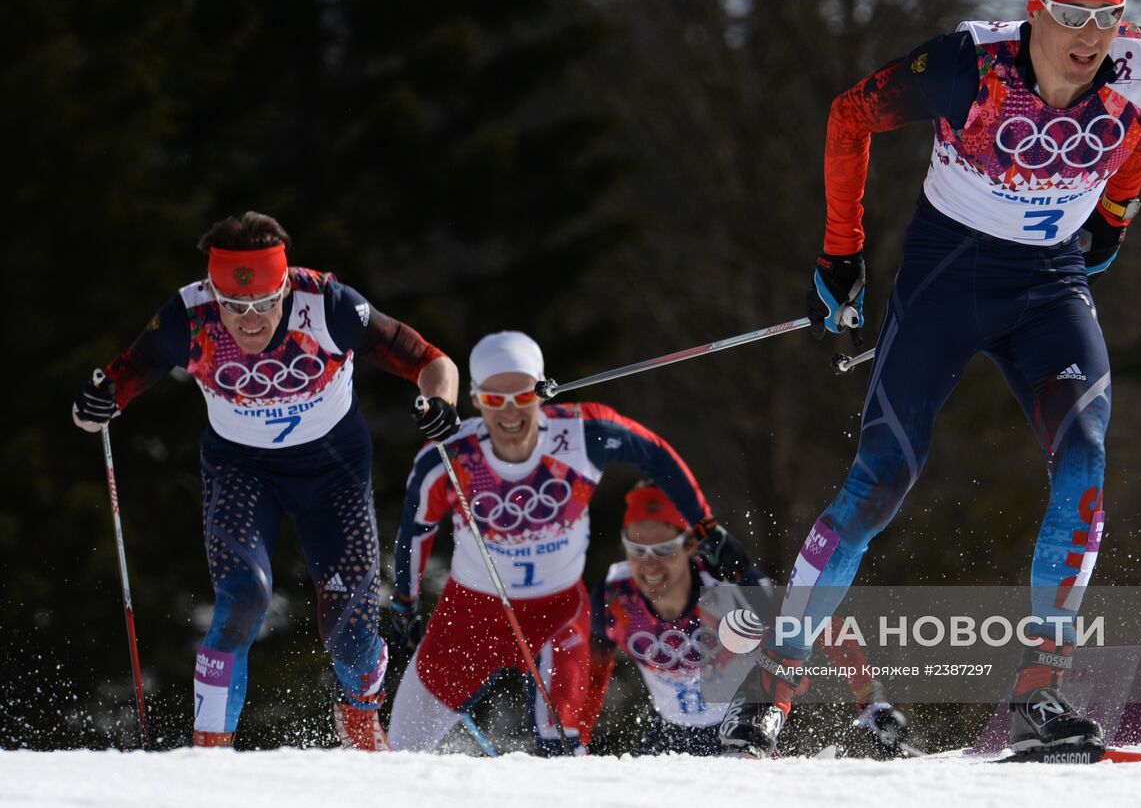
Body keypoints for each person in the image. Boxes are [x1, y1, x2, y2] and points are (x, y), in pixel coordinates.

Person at [719, 0, 1141, 758]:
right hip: (946, 282)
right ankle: (773, 689)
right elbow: (849, 114)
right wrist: (840, 252)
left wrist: (1114, 214)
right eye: (1071, 15)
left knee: (1084, 457)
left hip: (1050, 287)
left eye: (1106, 16)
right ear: (1035, 9)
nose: (1089, 36)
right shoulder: (969, 64)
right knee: (880, 482)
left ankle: (1041, 693)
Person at [71, 211, 461, 750]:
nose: (249, 321)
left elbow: (431, 361)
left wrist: (439, 403)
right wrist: (93, 407)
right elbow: (102, 401)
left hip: (333, 470)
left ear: (284, 287)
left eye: (263, 304)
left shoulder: (329, 304)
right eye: (234, 306)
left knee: (350, 634)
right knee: (243, 599)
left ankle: (360, 716)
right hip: (241, 469)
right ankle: (209, 751)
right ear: (214, 293)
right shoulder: (189, 317)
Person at [385, 331, 714, 755]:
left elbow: (656, 453)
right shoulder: (447, 455)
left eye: (521, 397)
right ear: (474, 397)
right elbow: (416, 529)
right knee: (402, 748)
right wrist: (405, 602)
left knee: (563, 748)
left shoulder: (581, 432)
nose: (508, 413)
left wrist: (706, 530)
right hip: (468, 615)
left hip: (557, 614)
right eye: (493, 399)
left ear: (540, 391)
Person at [581, 483, 909, 756]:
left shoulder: (728, 589)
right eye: (637, 550)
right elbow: (592, 678)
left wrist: (869, 697)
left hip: (738, 727)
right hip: (669, 734)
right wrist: (576, 738)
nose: (649, 565)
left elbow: (816, 619)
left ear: (690, 545)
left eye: (663, 548)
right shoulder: (613, 598)